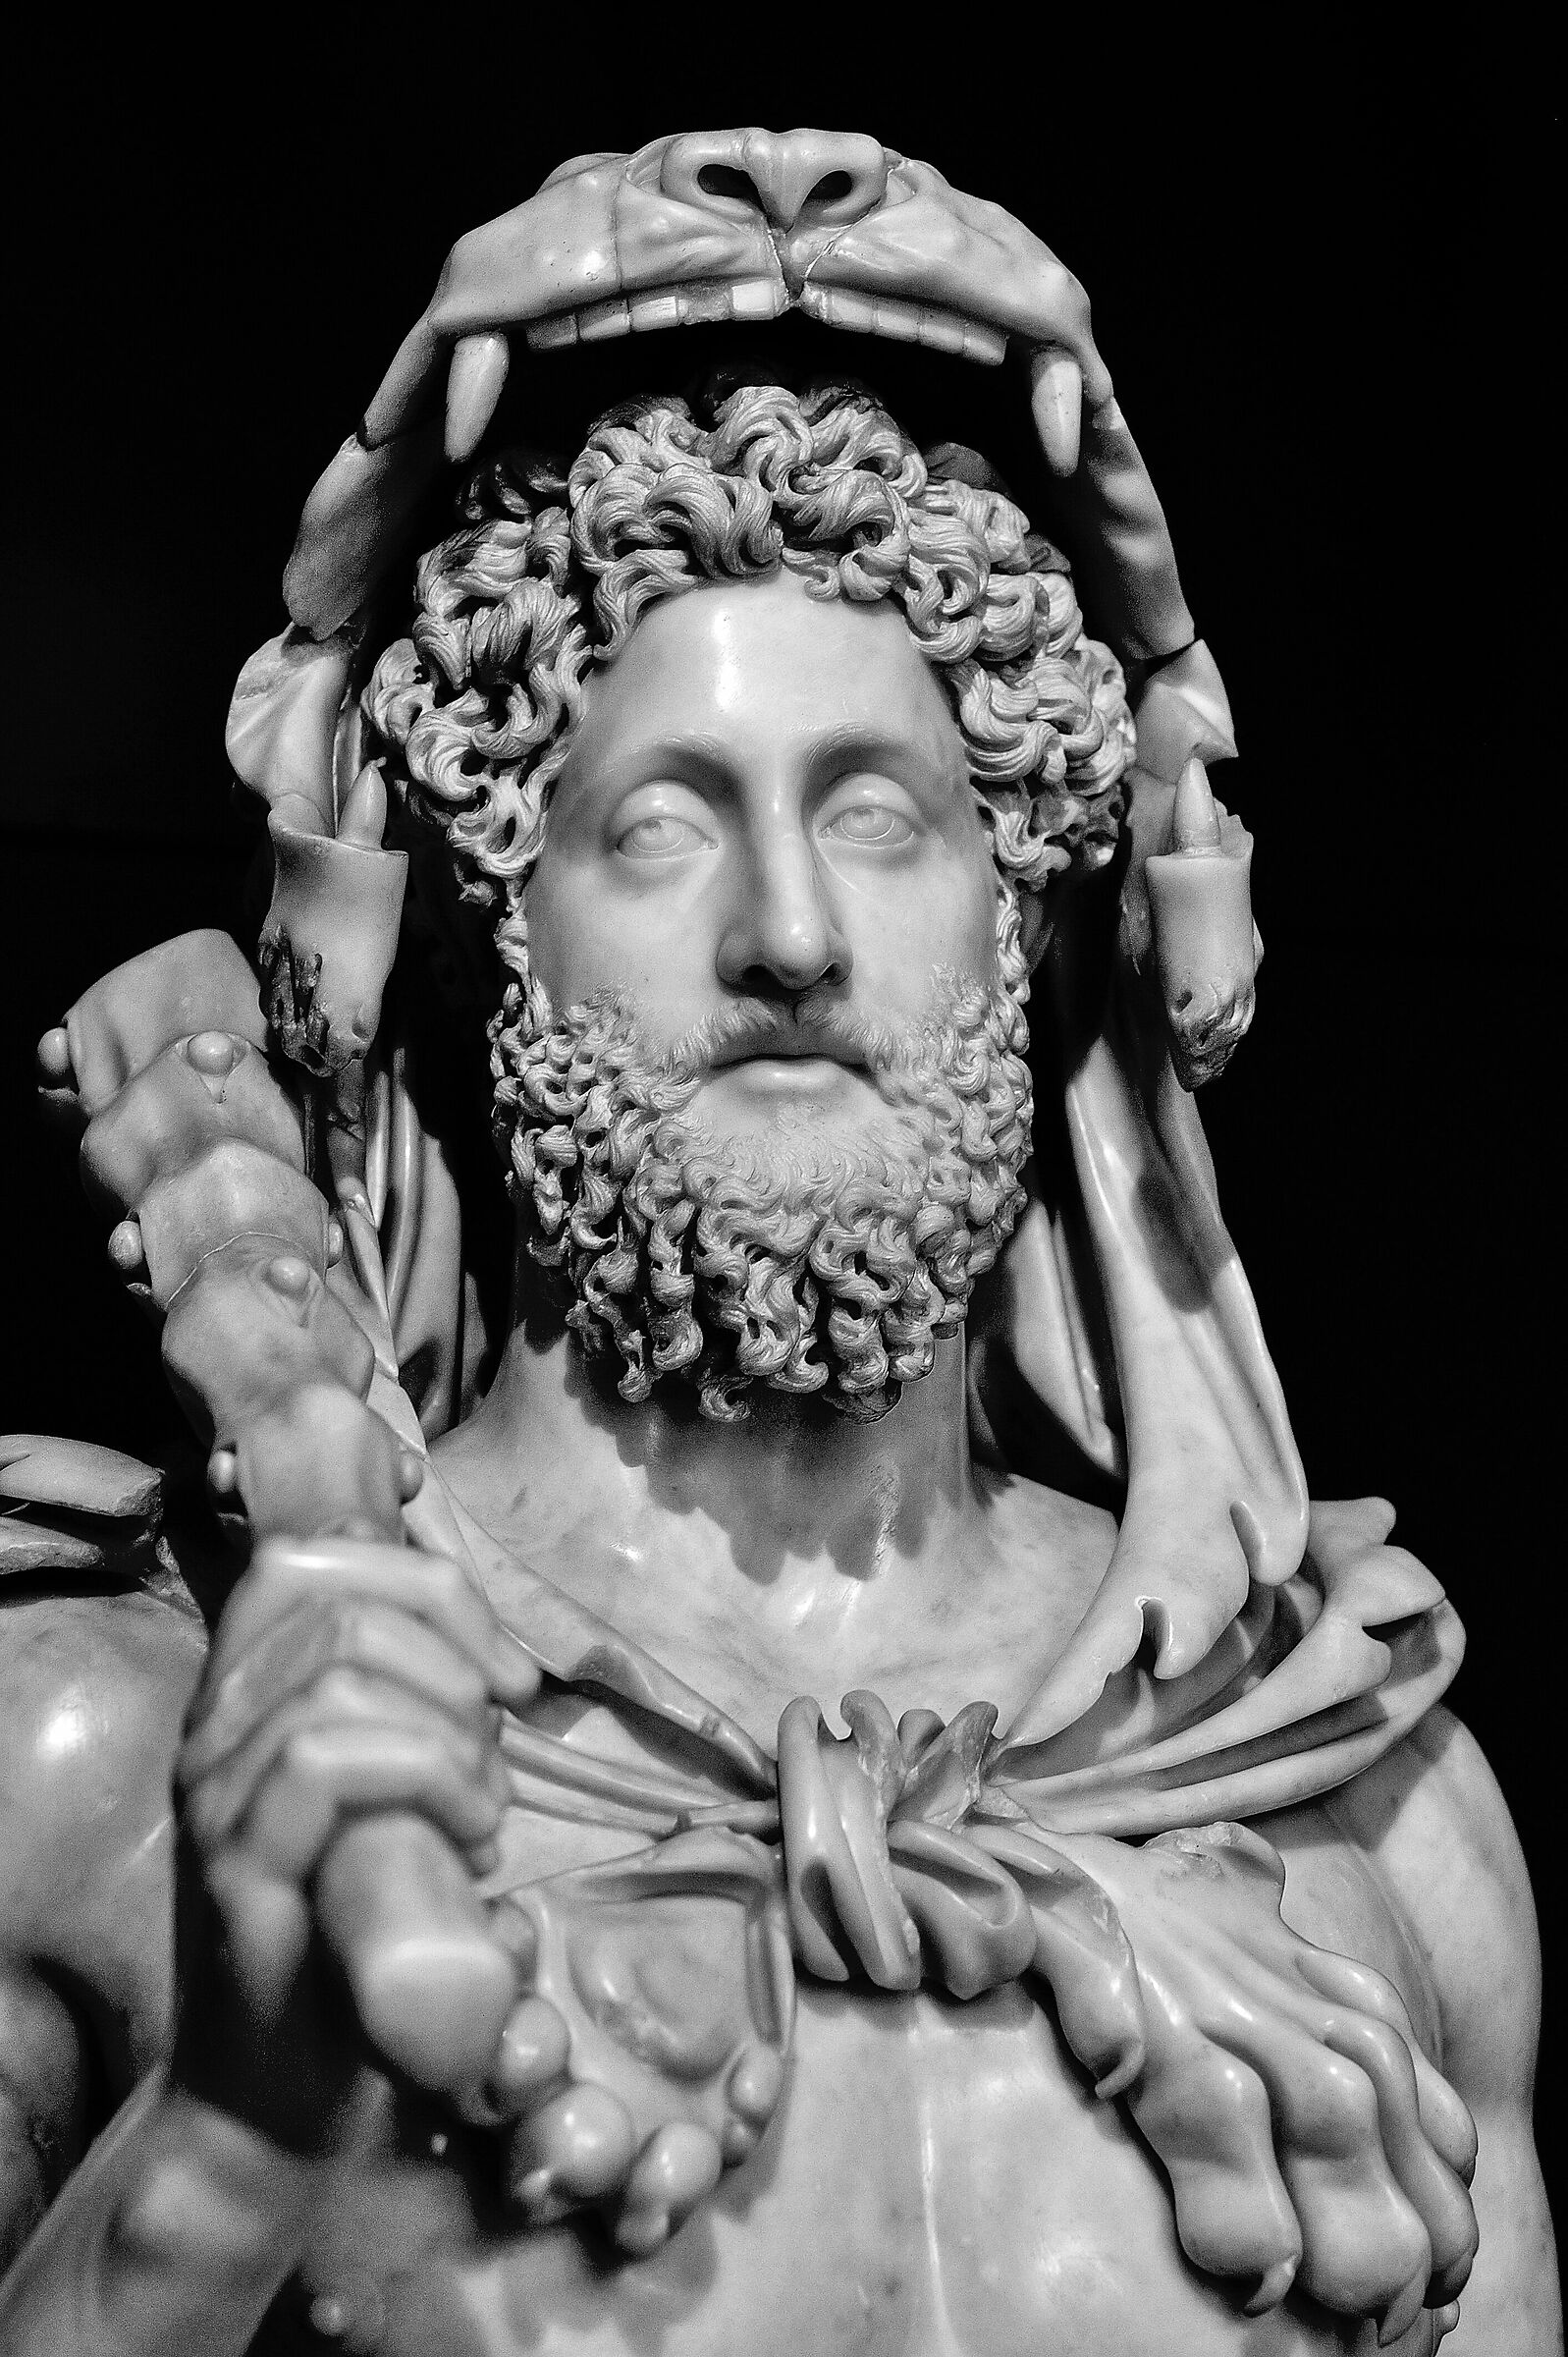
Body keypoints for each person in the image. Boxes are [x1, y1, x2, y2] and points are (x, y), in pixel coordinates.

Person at [0, 133, 1555, 2355]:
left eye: (880, 817)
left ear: (1035, 922)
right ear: (470, 936)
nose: (794, 939)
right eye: (658, 823)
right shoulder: (103, 1763)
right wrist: (231, 2145)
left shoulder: (1365, 1816)